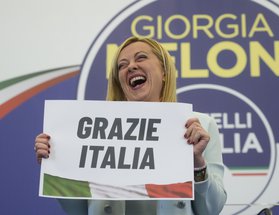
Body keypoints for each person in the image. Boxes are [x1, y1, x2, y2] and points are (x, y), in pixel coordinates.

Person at [34, 36, 227, 215]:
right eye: (122, 65)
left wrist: (197, 164)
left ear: (164, 72)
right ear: (120, 82)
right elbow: (78, 211)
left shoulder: (200, 126)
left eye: (141, 58)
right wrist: (56, 164)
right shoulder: (98, 132)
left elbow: (212, 209)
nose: (131, 67)